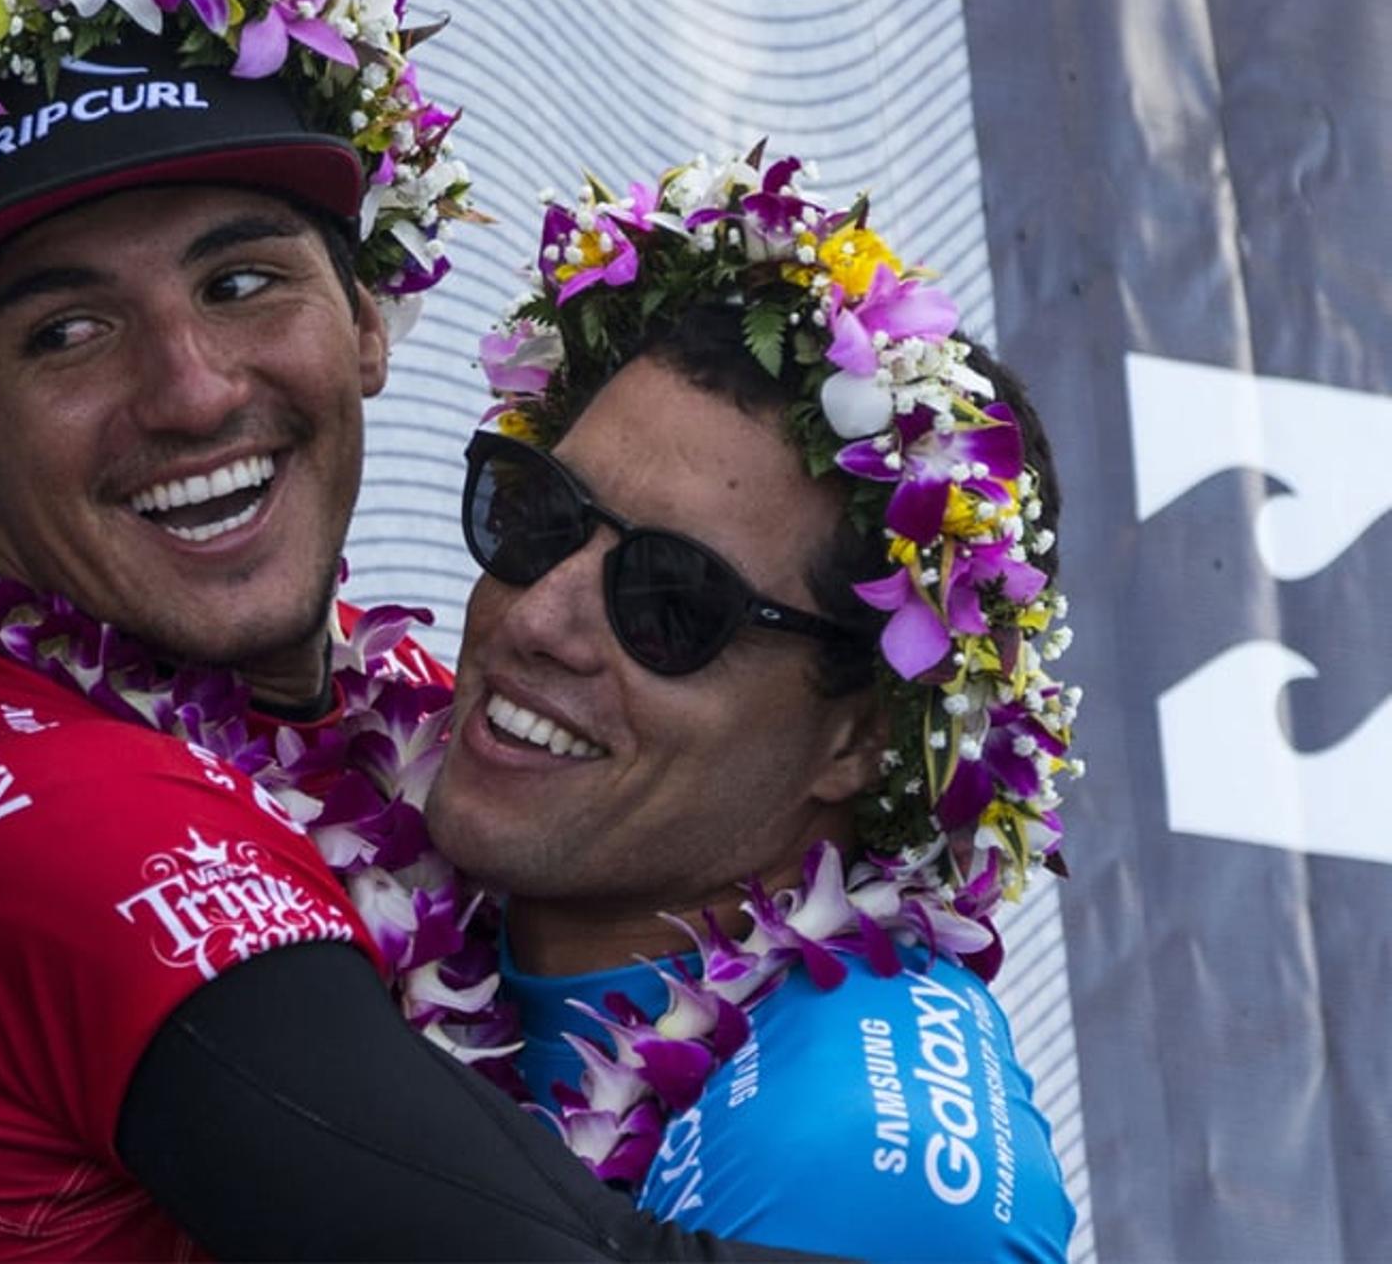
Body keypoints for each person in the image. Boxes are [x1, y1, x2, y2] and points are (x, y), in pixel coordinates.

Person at [0, 0, 815, 1261]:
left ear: (367, 316)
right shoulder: (52, 815)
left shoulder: (407, 716)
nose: (190, 388)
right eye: (69, 330)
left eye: (243, 282)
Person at [428, 150, 1082, 1261]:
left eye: (672, 601)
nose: (537, 617)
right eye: (540, 515)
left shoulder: (867, 1170)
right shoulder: (333, 800)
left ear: (862, 735)